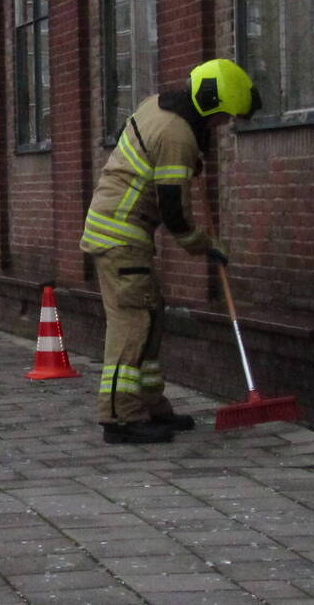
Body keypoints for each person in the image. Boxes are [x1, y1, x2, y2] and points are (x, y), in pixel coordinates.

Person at [80, 58, 261, 445]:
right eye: (223, 118)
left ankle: (150, 405)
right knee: (133, 324)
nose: (222, 126)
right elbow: (174, 212)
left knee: (150, 316)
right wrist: (204, 245)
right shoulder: (178, 136)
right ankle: (120, 419)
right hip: (121, 235)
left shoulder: (157, 106)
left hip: (116, 231)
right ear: (211, 106)